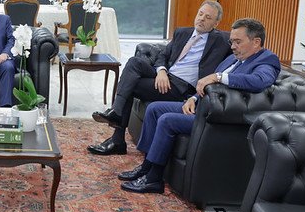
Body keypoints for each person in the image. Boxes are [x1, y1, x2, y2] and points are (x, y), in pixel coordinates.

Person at [119, 18, 281, 194]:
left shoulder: (267, 60)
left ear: (256, 42)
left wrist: (218, 77)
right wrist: (193, 99)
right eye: (232, 42)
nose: (233, 46)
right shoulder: (232, 59)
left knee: (167, 120)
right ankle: (146, 166)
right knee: (154, 109)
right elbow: (207, 84)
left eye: (238, 42)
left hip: (215, 116)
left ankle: (153, 179)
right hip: (200, 106)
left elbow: (259, 81)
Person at [89, 0, 232, 156]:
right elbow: (163, 55)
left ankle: (117, 135)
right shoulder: (182, 32)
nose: (202, 19)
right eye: (200, 14)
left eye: (208, 17)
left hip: (181, 88)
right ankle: (116, 115)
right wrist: (161, 71)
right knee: (134, 62)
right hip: (166, 77)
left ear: (216, 24)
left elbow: (241, 43)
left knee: (132, 84)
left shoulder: (222, 41)